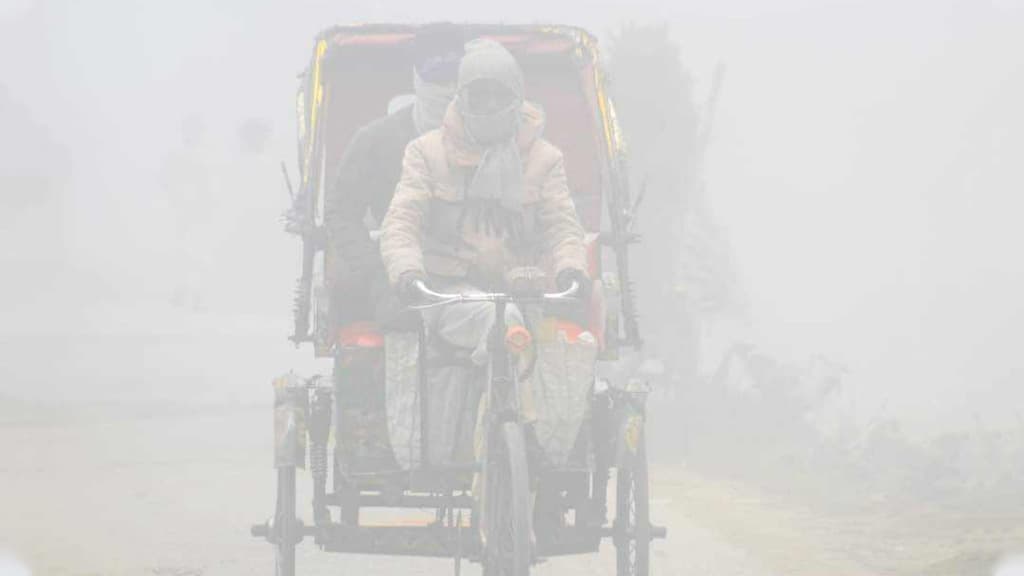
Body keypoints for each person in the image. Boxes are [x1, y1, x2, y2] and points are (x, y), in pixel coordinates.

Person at [380, 37, 590, 365]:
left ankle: (513, 413)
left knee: (566, 362)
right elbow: (401, 222)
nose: (491, 105)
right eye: (480, 95)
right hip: (447, 297)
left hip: (526, 295)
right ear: (462, 98)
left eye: (500, 94)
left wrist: (572, 270)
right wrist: (407, 271)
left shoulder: (545, 159)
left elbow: (563, 227)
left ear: (518, 98)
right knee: (502, 325)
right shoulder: (426, 152)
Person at [323, 23, 465, 329]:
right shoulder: (376, 140)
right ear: (417, 76)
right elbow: (341, 212)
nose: (448, 86)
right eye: (436, 73)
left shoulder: (497, 139)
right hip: (397, 276)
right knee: (401, 330)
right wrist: (373, 270)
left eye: (455, 74)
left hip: (475, 277)